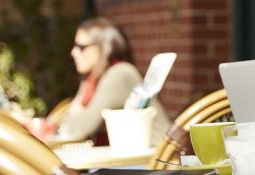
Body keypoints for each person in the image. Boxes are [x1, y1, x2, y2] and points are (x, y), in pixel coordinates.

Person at [55, 17, 171, 146]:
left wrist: (77, 110)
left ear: (103, 47)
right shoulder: (94, 79)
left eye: (81, 47)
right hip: (136, 154)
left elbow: (79, 128)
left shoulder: (119, 74)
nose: (73, 52)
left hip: (155, 157)